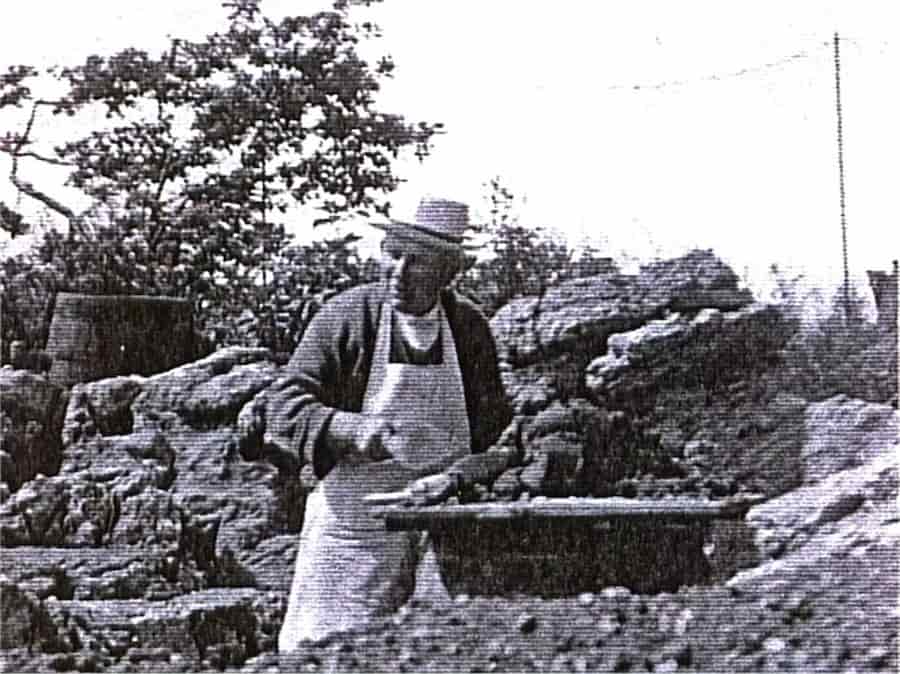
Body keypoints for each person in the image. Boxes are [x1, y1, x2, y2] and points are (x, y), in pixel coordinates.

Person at [266, 197, 512, 650]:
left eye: (416, 262)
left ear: (449, 271)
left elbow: (498, 433)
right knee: (328, 650)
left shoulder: (469, 329)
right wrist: (347, 428)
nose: (398, 271)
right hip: (353, 522)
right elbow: (282, 404)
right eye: (393, 252)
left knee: (434, 650)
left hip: (440, 516)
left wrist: (456, 478)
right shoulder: (348, 317)